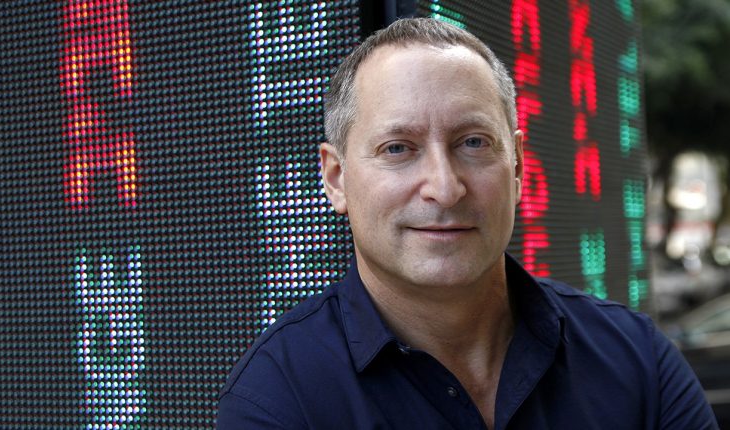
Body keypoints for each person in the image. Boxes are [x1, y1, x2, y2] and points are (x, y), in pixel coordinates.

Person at [217, 18, 717, 429]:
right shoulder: (278, 400)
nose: (445, 186)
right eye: (398, 148)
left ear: (517, 166)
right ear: (336, 179)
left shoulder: (638, 360)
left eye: (473, 142)